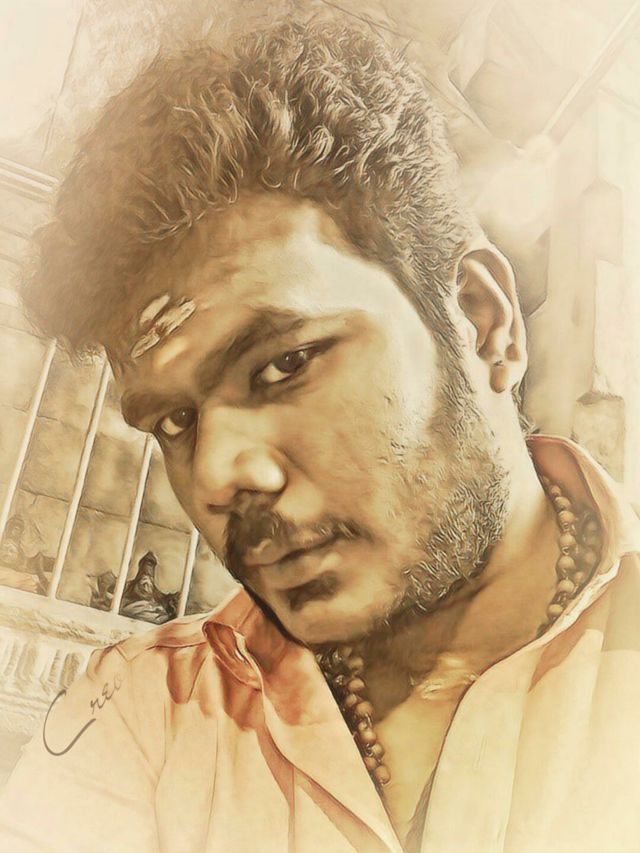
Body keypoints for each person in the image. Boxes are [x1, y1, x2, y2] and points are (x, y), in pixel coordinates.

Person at [1, 20, 639, 853]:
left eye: (284, 363)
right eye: (175, 422)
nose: (217, 473)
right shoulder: (146, 715)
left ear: (482, 322)